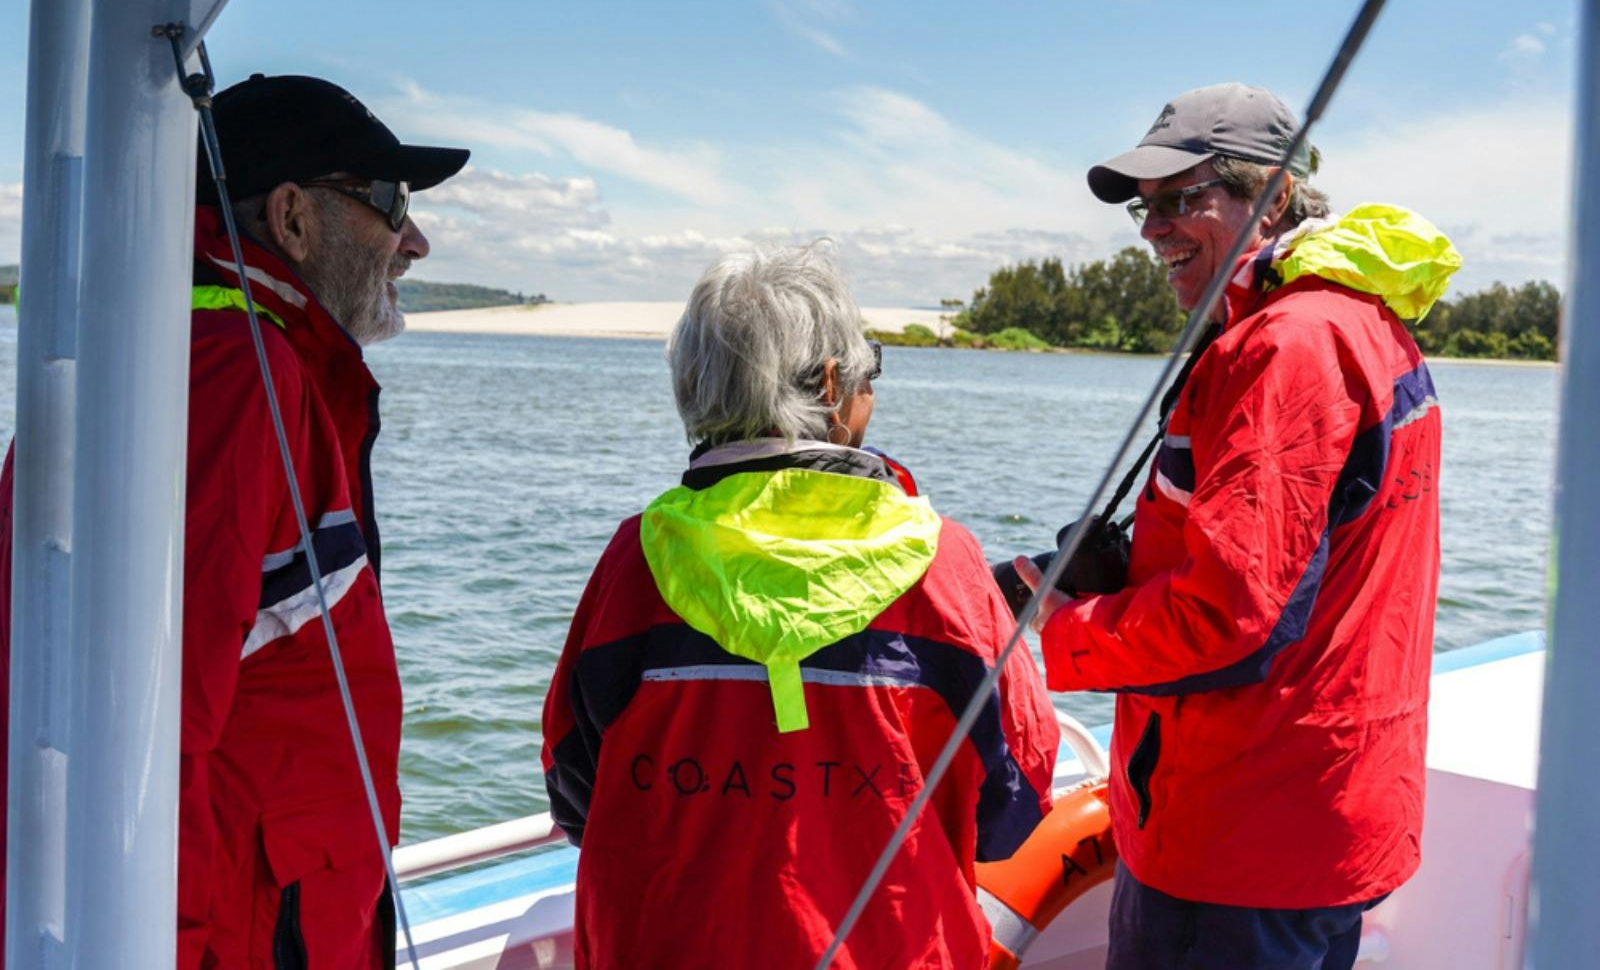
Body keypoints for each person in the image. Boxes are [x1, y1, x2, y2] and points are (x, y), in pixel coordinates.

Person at [0, 74, 468, 967]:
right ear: (292, 217)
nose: (415, 240)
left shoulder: (212, 352)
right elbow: (135, 738)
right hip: (237, 930)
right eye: (389, 202)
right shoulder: (230, 378)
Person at [1023, 83, 1461, 970]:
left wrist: (1061, 636)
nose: (1154, 229)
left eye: (1184, 199)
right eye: (1147, 209)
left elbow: (1228, 621)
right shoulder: (1360, 322)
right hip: (1313, 816)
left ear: (1271, 194)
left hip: (1238, 838)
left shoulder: (1285, 346)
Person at [541, 244, 1059, 970]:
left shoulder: (635, 560)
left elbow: (575, 788)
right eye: (871, 370)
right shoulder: (945, 566)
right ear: (830, 384)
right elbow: (1017, 802)